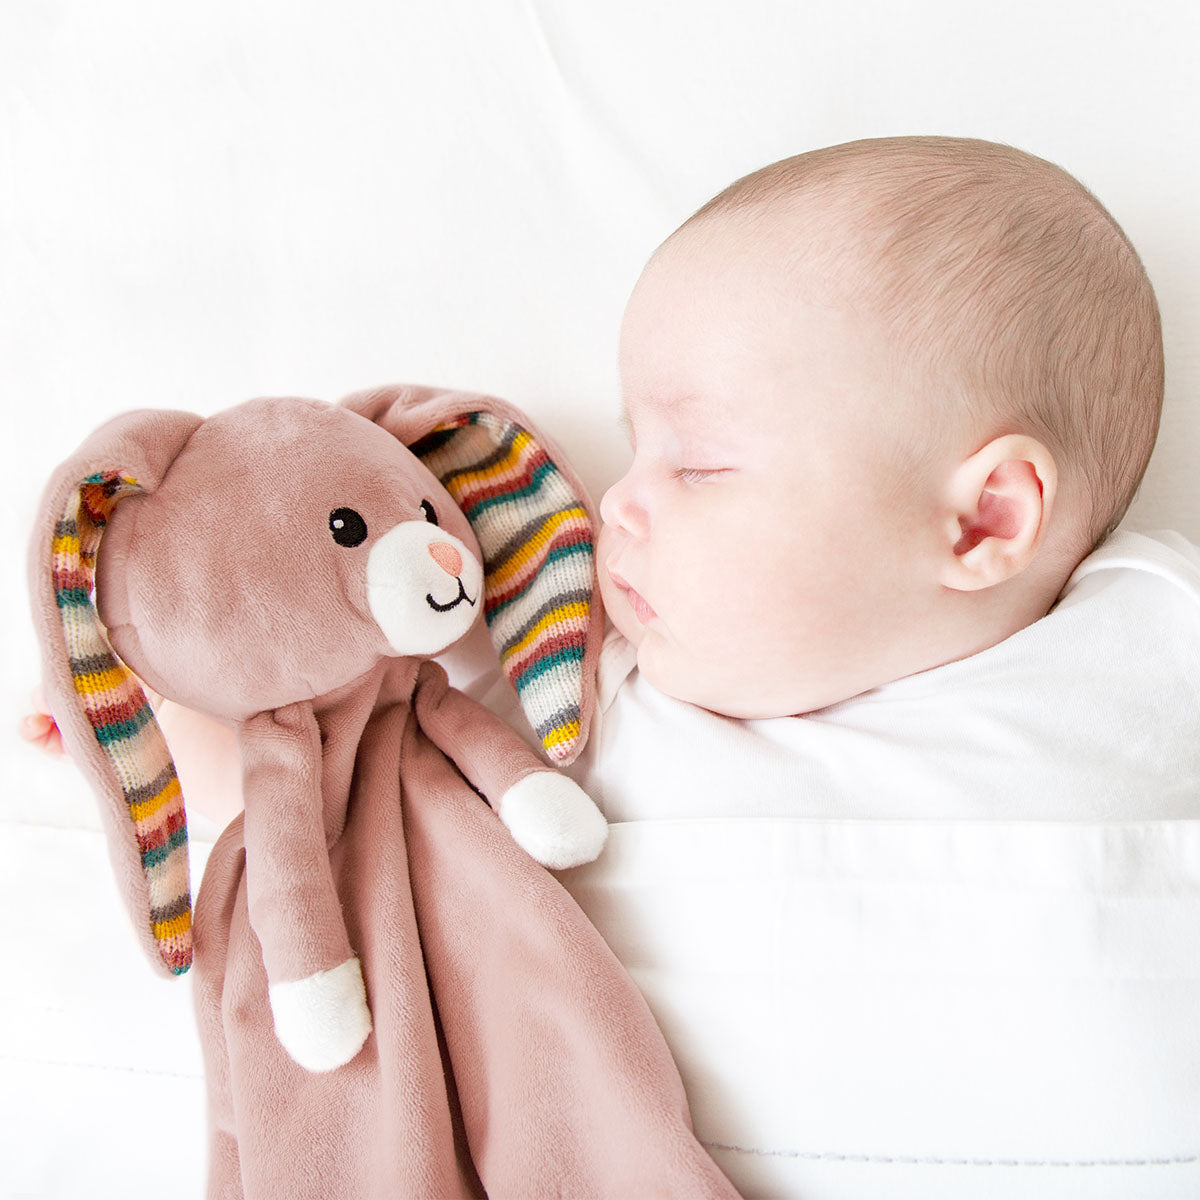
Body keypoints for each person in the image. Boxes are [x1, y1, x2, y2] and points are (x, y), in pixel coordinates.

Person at [23, 137, 1200, 1197]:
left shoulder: (1146, 640)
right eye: (634, 450)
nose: (617, 504)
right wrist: (173, 716)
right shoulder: (588, 693)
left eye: (700, 466)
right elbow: (343, 800)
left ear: (988, 520)